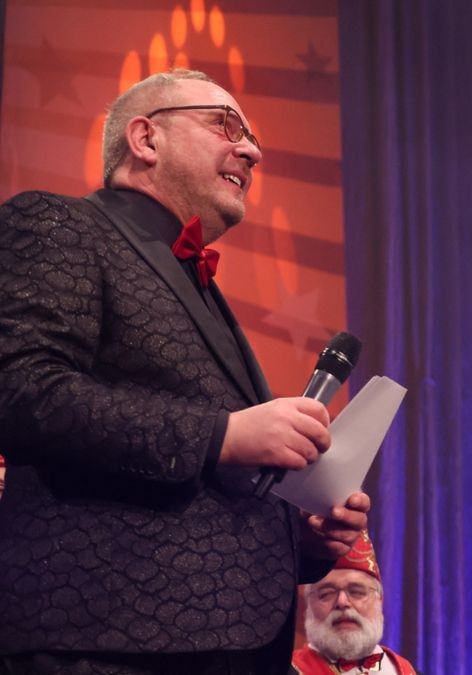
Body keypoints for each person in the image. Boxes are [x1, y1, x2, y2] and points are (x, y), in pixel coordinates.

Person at [0, 68, 370, 674]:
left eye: (250, 136)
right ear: (146, 140)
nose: (252, 149)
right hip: (105, 644)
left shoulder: (195, 278)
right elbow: (21, 391)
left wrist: (299, 544)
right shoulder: (58, 224)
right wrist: (222, 435)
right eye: (226, 124)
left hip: (225, 650)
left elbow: (201, 499)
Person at [291, 532, 417, 675]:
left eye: (357, 592)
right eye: (326, 594)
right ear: (308, 606)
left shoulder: (405, 670)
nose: (342, 602)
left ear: (380, 600)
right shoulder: (286, 670)